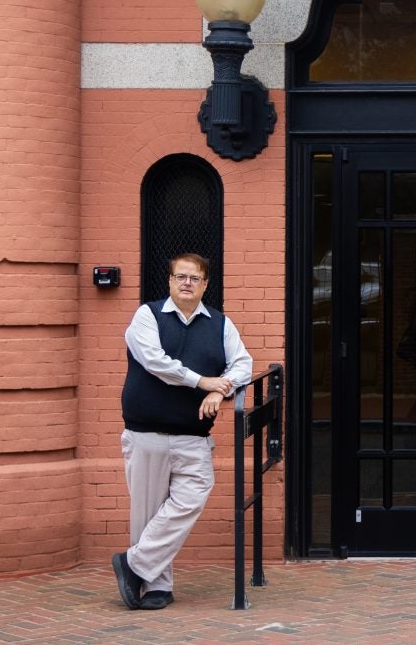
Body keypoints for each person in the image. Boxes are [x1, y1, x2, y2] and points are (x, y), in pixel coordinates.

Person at [111, 253, 252, 610]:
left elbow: (243, 364)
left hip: (193, 435)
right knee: (147, 513)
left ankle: (134, 564)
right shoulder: (147, 316)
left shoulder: (221, 324)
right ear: (170, 281)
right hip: (147, 433)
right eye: (180, 277)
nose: (187, 283)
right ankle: (157, 587)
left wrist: (221, 389)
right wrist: (203, 381)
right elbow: (155, 362)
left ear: (206, 284)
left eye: (194, 278)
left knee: (193, 494)